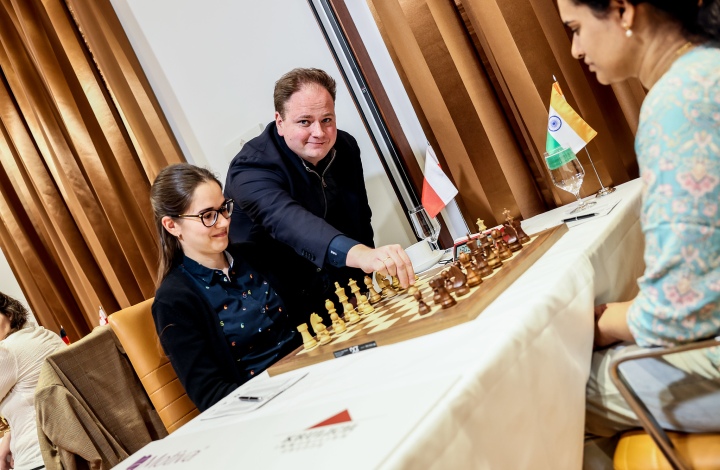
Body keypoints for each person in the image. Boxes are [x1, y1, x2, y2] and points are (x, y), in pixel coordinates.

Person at [557, 0, 720, 465]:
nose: (575, 49)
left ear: (624, 11)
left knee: (553, 387)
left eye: (577, 28)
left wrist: (602, 323)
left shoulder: (678, 102)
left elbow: (682, 315)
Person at [224, 68, 414, 321]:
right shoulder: (250, 168)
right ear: (280, 122)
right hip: (281, 306)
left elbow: (357, 221)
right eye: (305, 121)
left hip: (340, 293)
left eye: (327, 119)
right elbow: (290, 222)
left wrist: (362, 281)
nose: (319, 133)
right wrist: (361, 255)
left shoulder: (345, 147)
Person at [150, 163, 301, 412]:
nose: (222, 223)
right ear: (172, 225)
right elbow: (211, 395)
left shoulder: (253, 255)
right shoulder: (174, 301)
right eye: (207, 215)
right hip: (264, 408)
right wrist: (283, 398)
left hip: (310, 375)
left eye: (223, 209)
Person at [0, 292, 65, 470]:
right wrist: (9, 435)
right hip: (68, 447)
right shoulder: (46, 334)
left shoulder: (6, 351)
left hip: (38, 458)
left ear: (9, 314)